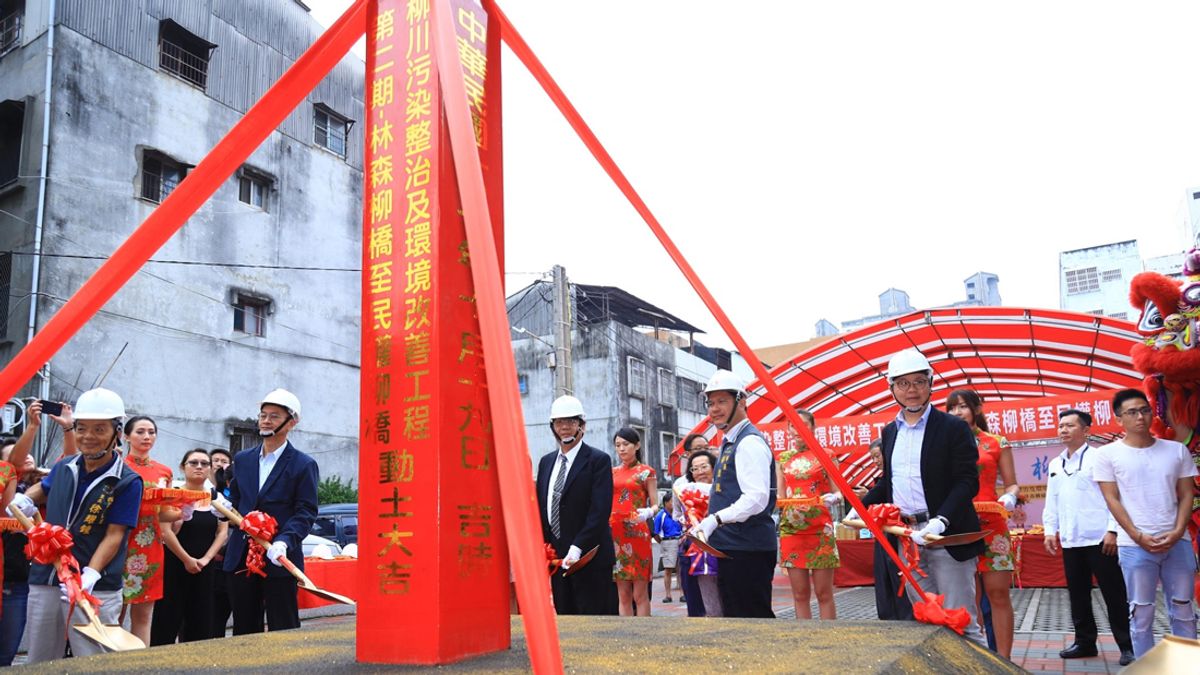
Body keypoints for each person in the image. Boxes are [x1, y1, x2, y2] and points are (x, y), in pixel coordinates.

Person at [861, 349, 986, 646]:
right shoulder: (890, 432)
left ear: (931, 383)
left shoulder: (953, 428)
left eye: (919, 381)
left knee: (961, 621)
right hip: (908, 539)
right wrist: (857, 506)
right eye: (903, 383)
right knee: (927, 620)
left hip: (946, 536)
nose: (912, 390)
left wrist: (941, 520)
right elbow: (890, 483)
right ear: (891, 388)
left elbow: (967, 481)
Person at [11, 388, 144, 663]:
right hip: (47, 576)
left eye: (99, 429)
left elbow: (114, 535)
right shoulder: (66, 465)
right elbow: (45, 487)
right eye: (82, 428)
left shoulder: (127, 481)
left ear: (116, 432)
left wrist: (90, 575)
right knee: (41, 659)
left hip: (94, 586)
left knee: (93, 659)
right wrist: (25, 498)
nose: (88, 437)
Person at [1094, 388, 1198, 661]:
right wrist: (1136, 535)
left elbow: (1188, 493)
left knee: (1184, 609)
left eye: (1145, 410)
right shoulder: (1106, 455)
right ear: (1119, 419)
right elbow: (1112, 499)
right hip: (1135, 545)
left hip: (1178, 542)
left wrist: (1177, 531)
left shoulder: (1176, 450)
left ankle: (1185, 666)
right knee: (1141, 613)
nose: (1140, 417)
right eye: (1132, 412)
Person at [221, 388, 319, 634]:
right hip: (242, 557)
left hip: (278, 557)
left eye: (274, 416)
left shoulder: (303, 464)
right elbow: (239, 501)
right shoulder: (243, 459)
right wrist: (224, 511)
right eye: (263, 415)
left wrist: (285, 541)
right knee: (244, 627)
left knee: (283, 626)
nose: (265, 420)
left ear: (291, 423)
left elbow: (306, 511)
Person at [1043, 408, 1134, 666]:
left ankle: (1127, 645)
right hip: (1072, 540)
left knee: (1114, 594)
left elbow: (1116, 497)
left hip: (1100, 538)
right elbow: (1053, 501)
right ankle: (1085, 643)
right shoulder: (1055, 463)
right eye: (1061, 426)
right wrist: (1050, 530)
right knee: (1077, 594)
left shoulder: (1100, 458)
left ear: (1086, 431)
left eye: (1070, 426)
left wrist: (1113, 530)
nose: (1063, 430)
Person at [689, 370, 777, 618]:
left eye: (722, 401)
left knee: (752, 621)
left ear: (741, 401)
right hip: (734, 548)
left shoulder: (749, 442)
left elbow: (756, 498)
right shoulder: (730, 440)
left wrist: (714, 519)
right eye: (711, 403)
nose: (714, 409)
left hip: (748, 549)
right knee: (738, 619)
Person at [945, 389, 1019, 658]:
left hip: (992, 524)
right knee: (967, 597)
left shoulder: (996, 442)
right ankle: (975, 658)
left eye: (962, 407)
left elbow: (1011, 482)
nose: (957, 413)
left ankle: (1004, 659)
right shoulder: (944, 444)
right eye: (951, 409)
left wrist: (1010, 496)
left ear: (976, 409)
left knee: (998, 593)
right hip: (958, 524)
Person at [535, 395, 617, 615]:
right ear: (552, 426)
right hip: (558, 558)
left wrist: (578, 547)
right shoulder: (546, 462)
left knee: (594, 621)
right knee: (565, 619)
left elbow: (599, 512)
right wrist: (544, 548)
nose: (565, 427)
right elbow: (542, 508)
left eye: (571, 421)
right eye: (559, 422)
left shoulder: (598, 461)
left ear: (582, 425)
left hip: (590, 555)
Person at [151, 449, 229, 644]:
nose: (199, 467)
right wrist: (187, 559)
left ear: (210, 469)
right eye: (193, 463)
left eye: (204, 463)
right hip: (174, 565)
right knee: (166, 621)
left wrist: (205, 559)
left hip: (205, 567)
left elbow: (222, 532)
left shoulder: (216, 498)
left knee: (201, 622)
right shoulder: (173, 495)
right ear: (182, 467)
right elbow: (165, 531)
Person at [119, 415, 182, 647]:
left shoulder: (163, 472)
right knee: (113, 614)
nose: (147, 437)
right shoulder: (117, 466)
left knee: (143, 615)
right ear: (126, 436)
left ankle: (140, 665)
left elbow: (164, 512)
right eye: (140, 432)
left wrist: (183, 510)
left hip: (150, 545)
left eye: (151, 432)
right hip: (119, 542)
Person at [776, 409, 840, 620]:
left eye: (803, 424)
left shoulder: (826, 454)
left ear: (813, 427)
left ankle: (830, 640)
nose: (797, 430)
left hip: (820, 527)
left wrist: (833, 498)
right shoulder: (783, 458)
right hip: (792, 529)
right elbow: (781, 493)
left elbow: (839, 490)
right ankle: (806, 639)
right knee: (799, 593)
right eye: (793, 425)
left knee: (824, 593)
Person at [857, 438, 914, 621]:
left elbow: (873, 498)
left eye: (877, 456)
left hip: (901, 532)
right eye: (872, 458)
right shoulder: (881, 478)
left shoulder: (895, 476)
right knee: (885, 577)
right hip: (885, 533)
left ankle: (905, 615)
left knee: (898, 576)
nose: (876, 461)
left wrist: (865, 499)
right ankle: (891, 616)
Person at [610, 427, 657, 616]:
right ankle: (626, 635)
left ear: (637, 445)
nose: (622, 449)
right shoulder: (611, 472)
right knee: (622, 594)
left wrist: (648, 512)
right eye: (618, 445)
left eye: (626, 444)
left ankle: (643, 635)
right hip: (615, 533)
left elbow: (656, 504)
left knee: (640, 593)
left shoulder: (647, 472)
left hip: (637, 532)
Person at [679, 449, 722, 616]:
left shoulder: (725, 490)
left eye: (704, 467)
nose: (699, 472)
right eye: (694, 469)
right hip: (695, 549)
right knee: (700, 599)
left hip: (723, 546)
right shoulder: (684, 492)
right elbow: (679, 517)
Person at [674, 433, 710, 617]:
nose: (703, 451)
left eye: (706, 446)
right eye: (697, 448)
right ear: (687, 454)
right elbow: (676, 514)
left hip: (715, 544)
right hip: (690, 544)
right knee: (693, 594)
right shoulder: (680, 484)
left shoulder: (719, 481)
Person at [208, 447, 234, 636]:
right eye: (215, 460)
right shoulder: (207, 490)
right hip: (210, 557)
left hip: (230, 558)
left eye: (223, 460)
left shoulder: (231, 490)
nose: (219, 464)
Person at [652, 492, 683, 603]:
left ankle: (682, 594)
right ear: (666, 503)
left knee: (680, 569)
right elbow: (655, 533)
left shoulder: (679, 514)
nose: (674, 504)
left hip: (680, 541)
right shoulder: (661, 515)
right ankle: (668, 595)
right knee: (668, 570)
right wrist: (662, 543)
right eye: (671, 501)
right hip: (668, 542)